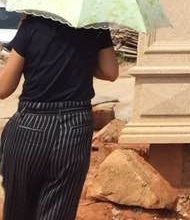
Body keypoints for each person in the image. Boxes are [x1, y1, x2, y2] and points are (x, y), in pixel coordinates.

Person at [0, 14, 119, 220]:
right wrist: (81, 61)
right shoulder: (95, 26)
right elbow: (110, 72)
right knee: (59, 209)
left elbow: (4, 88)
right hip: (75, 126)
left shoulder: (32, 25)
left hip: (31, 124)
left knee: (19, 210)